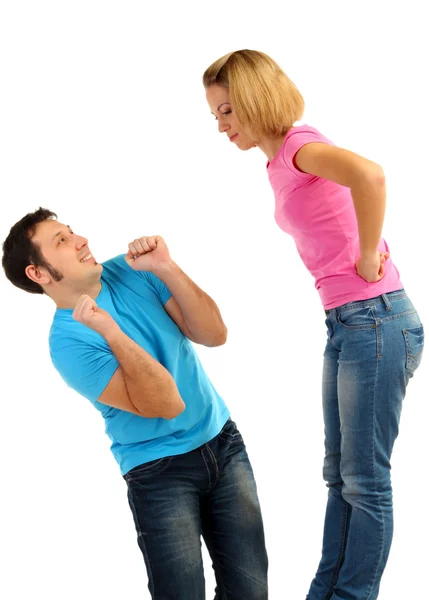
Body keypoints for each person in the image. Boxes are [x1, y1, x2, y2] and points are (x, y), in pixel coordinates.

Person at [203, 49, 424, 600]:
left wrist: (370, 254)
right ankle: (324, 590)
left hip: (376, 319)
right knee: (339, 475)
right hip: (348, 325)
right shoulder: (279, 158)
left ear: (255, 101)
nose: (222, 126)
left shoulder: (300, 147)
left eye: (228, 111)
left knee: (366, 482)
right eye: (215, 115)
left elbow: (370, 175)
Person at [2, 207, 269, 600]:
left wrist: (167, 268)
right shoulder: (68, 345)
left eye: (72, 231)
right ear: (38, 273)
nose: (81, 240)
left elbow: (215, 334)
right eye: (62, 241)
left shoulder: (132, 270)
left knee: (250, 592)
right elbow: (166, 404)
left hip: (222, 441)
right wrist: (109, 329)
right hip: (159, 471)